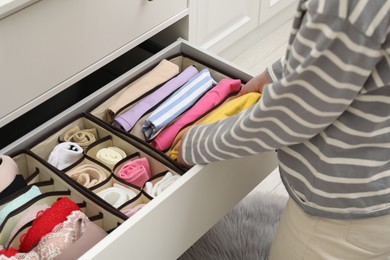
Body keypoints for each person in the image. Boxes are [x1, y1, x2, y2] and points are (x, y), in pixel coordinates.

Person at [177, 0, 390, 259]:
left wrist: (197, 144)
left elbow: (292, 116)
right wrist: (277, 73)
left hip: (343, 211)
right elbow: (344, 51)